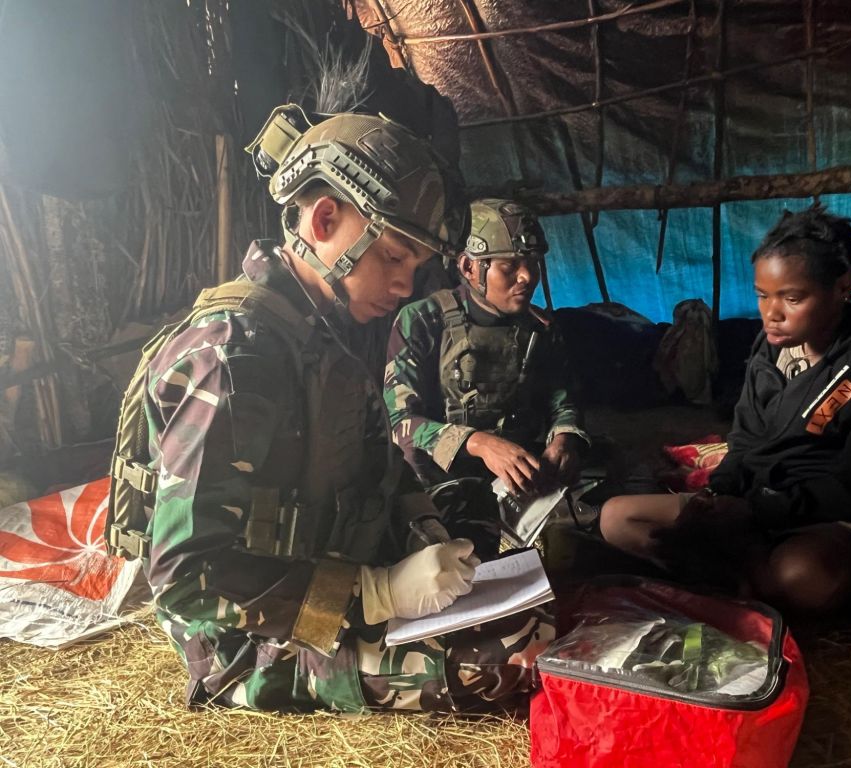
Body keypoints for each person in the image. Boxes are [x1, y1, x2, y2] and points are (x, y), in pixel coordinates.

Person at [108, 105, 553, 713]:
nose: (404, 286)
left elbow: (382, 467)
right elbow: (186, 582)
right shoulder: (232, 356)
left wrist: (426, 533)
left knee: (507, 572)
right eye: (394, 257)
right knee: (508, 659)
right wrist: (377, 592)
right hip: (254, 638)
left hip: (329, 570)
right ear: (324, 220)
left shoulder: (320, 337)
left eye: (416, 267)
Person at [599, 204, 851, 618]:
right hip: (752, 504)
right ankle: (745, 578)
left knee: (802, 575)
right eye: (763, 295)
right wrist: (718, 494)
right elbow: (744, 440)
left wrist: (758, 511)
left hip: (831, 516)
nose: (772, 314)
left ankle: (732, 577)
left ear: (842, 287)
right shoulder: (770, 350)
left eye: (792, 298)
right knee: (617, 518)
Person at [384, 199, 588, 557]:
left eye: (533, 264)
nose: (527, 277)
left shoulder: (540, 328)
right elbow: (400, 421)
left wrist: (564, 438)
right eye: (510, 266)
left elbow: (562, 398)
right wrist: (478, 443)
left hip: (521, 485)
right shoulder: (422, 320)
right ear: (469, 266)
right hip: (438, 485)